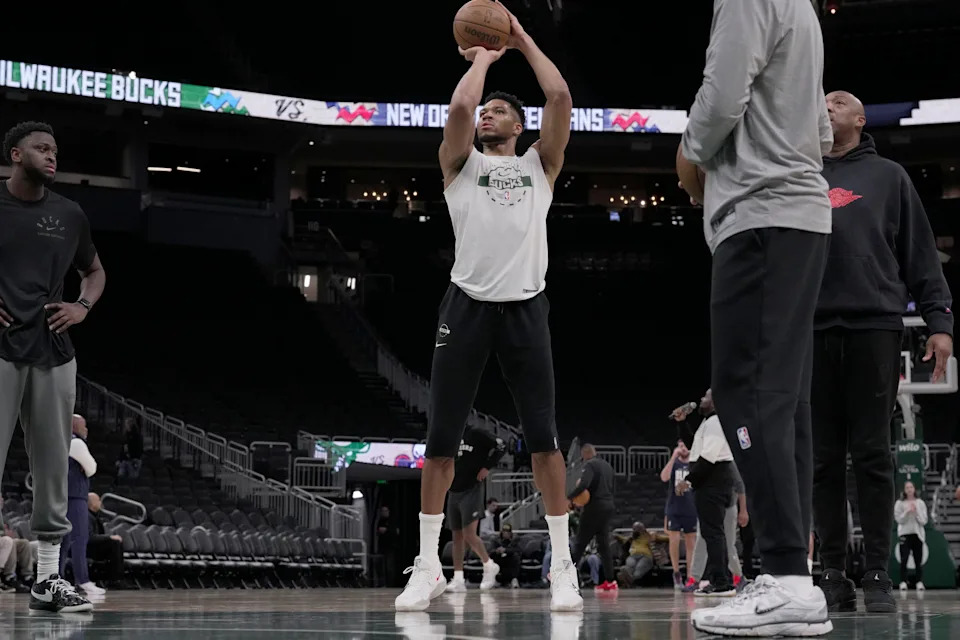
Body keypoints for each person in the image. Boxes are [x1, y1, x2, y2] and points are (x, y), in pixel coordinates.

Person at [394, 2, 578, 613]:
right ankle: (427, 566)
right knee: (440, 442)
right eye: (486, 111)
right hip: (466, 306)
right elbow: (458, 110)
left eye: (500, 111)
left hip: (526, 309)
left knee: (545, 442)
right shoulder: (459, 164)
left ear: (520, 126)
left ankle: (564, 567)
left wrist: (521, 40)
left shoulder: (539, 165)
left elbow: (560, 97)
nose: (487, 116)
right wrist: (480, 59)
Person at [678, 0, 835, 634]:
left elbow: (720, 102)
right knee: (783, 403)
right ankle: (792, 575)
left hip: (761, 214)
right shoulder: (801, 10)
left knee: (746, 393)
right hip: (795, 215)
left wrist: (690, 150)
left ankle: (788, 579)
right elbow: (822, 133)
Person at [812, 89, 953, 614]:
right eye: (822, 100)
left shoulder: (890, 176)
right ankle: (831, 572)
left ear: (860, 118)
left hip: (874, 326)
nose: (827, 105)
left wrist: (939, 322)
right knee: (823, 459)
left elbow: (920, 253)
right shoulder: (800, 173)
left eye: (838, 101)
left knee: (872, 453)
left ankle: (876, 572)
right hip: (811, 328)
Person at [1, 121, 104, 614]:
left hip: (54, 353)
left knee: (52, 469)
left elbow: (95, 271)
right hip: (2, 348)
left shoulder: (69, 213)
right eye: (41, 148)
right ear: (15, 154)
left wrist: (82, 306)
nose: (51, 156)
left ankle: (47, 581)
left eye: (55, 150)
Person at [676, 389, 738, 597]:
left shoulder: (716, 422)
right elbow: (695, 447)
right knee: (714, 533)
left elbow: (708, 457)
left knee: (713, 534)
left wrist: (688, 480)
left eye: (706, 397)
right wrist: (682, 423)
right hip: (713, 482)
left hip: (713, 482)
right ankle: (721, 580)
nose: (701, 399)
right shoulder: (709, 422)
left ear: (715, 401)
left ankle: (721, 583)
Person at [446, 426, 506, 592]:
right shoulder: (451, 434)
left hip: (472, 489)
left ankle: (488, 564)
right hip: (453, 489)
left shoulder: (477, 433)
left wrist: (487, 466)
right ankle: (458, 579)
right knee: (457, 537)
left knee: (469, 534)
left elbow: (502, 445)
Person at [685, 457, 748, 594]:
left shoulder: (727, 462)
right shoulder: (703, 464)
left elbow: (740, 486)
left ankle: (738, 576)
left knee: (729, 543)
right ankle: (694, 578)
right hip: (710, 505)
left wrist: (743, 510)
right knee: (701, 540)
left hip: (728, 506)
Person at [567, 443, 617, 591]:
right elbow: (613, 487)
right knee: (604, 546)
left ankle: (564, 575)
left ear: (584, 454)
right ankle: (610, 581)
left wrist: (569, 498)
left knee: (580, 543)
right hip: (608, 506)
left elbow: (584, 484)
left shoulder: (590, 465)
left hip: (594, 507)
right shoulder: (607, 466)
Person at [60, 414, 100, 595]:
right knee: (79, 538)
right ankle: (82, 580)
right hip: (75, 496)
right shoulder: (76, 443)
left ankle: (59, 579)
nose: (86, 430)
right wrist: (85, 466)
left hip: (62, 495)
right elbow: (92, 468)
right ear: (75, 426)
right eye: (84, 426)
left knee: (64, 540)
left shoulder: (60, 441)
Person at [660, 434, 698, 589]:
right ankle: (676, 573)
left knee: (691, 543)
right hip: (674, 507)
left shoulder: (694, 463)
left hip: (691, 507)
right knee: (674, 540)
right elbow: (664, 477)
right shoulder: (674, 463)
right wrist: (673, 457)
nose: (683, 449)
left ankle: (690, 575)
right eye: (680, 446)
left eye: (685, 446)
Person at [894, 481, 927, 592]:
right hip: (904, 534)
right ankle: (903, 581)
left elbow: (924, 521)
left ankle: (919, 582)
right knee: (904, 558)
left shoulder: (920, 503)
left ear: (914, 489)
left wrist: (916, 512)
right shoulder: (899, 503)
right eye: (907, 487)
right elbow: (899, 520)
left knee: (918, 559)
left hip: (918, 534)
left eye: (911, 487)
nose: (909, 489)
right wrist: (907, 511)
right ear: (904, 490)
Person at [85, 493, 124, 588]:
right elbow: (89, 537)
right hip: (87, 549)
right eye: (98, 500)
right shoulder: (87, 517)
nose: (101, 503)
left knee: (116, 543)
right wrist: (109, 537)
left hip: (94, 547)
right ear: (92, 503)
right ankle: (114, 580)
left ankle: (116, 578)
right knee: (114, 543)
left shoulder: (94, 516)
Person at [615, 522, 668, 588]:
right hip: (633, 556)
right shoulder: (631, 537)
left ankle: (626, 579)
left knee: (638, 570)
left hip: (646, 556)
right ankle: (629, 579)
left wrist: (674, 536)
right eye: (635, 529)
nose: (637, 530)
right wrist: (616, 536)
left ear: (643, 528)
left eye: (639, 528)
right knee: (629, 566)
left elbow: (666, 538)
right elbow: (623, 539)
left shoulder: (650, 535)